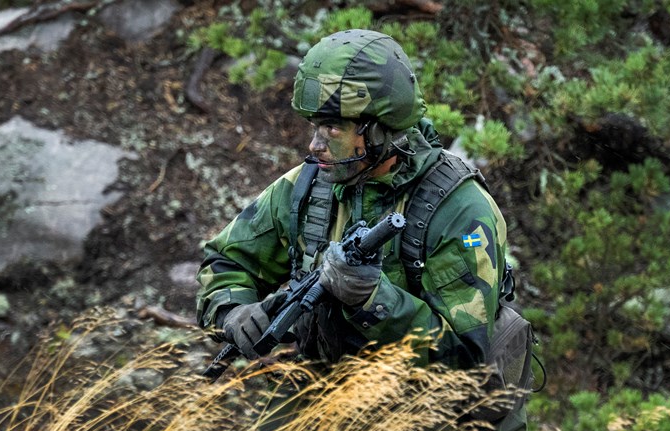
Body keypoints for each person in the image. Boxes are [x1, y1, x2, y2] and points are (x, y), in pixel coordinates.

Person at [196, 28, 507, 377]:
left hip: (426, 406)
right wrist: (233, 310)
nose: (315, 145)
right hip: (323, 386)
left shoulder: (459, 210)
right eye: (314, 127)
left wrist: (373, 301)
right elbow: (226, 260)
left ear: (378, 130)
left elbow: (464, 360)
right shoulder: (308, 186)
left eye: (332, 130)